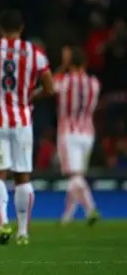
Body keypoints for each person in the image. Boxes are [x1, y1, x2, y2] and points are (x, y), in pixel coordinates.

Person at [0, 10, 54, 245]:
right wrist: (29, 97)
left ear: (0, 29)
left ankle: (3, 223)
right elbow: (51, 88)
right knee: (23, 177)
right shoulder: (35, 53)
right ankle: (23, 232)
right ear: (22, 27)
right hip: (22, 122)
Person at [55, 47, 101, 225]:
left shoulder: (65, 82)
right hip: (88, 133)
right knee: (78, 175)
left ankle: (91, 209)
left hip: (68, 132)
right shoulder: (94, 83)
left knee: (74, 176)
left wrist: (63, 66)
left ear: (70, 63)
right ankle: (68, 215)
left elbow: (49, 84)